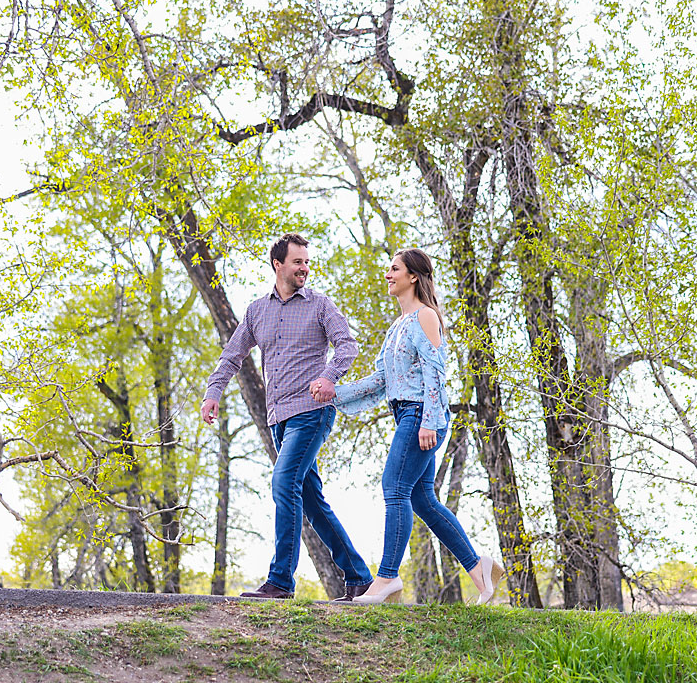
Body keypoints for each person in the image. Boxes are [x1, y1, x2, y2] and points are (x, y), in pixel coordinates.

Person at [312, 248, 505, 605]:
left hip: (421, 415)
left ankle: (386, 579)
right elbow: (382, 379)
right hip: (407, 415)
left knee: (394, 487)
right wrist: (335, 393)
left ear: (413, 276)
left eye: (394, 269)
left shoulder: (426, 316)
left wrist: (431, 420)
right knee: (422, 498)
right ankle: (480, 568)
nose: (388, 275)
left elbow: (436, 370)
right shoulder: (397, 326)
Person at [201, 233, 373, 601]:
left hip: (311, 413)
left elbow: (347, 345)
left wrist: (329, 376)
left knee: (283, 483)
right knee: (310, 499)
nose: (305, 268)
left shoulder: (320, 305)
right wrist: (213, 392)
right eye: (298, 262)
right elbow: (232, 356)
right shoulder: (256, 311)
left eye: (307, 262)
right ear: (278, 265)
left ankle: (280, 580)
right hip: (278, 418)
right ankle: (358, 576)